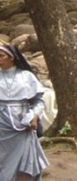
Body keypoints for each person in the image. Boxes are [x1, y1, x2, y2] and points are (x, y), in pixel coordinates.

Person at [0, 44, 49, 181]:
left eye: (1, 56)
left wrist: (34, 116)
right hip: (1, 128)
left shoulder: (26, 76)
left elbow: (39, 101)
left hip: (22, 126)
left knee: (23, 165)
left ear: (12, 57)